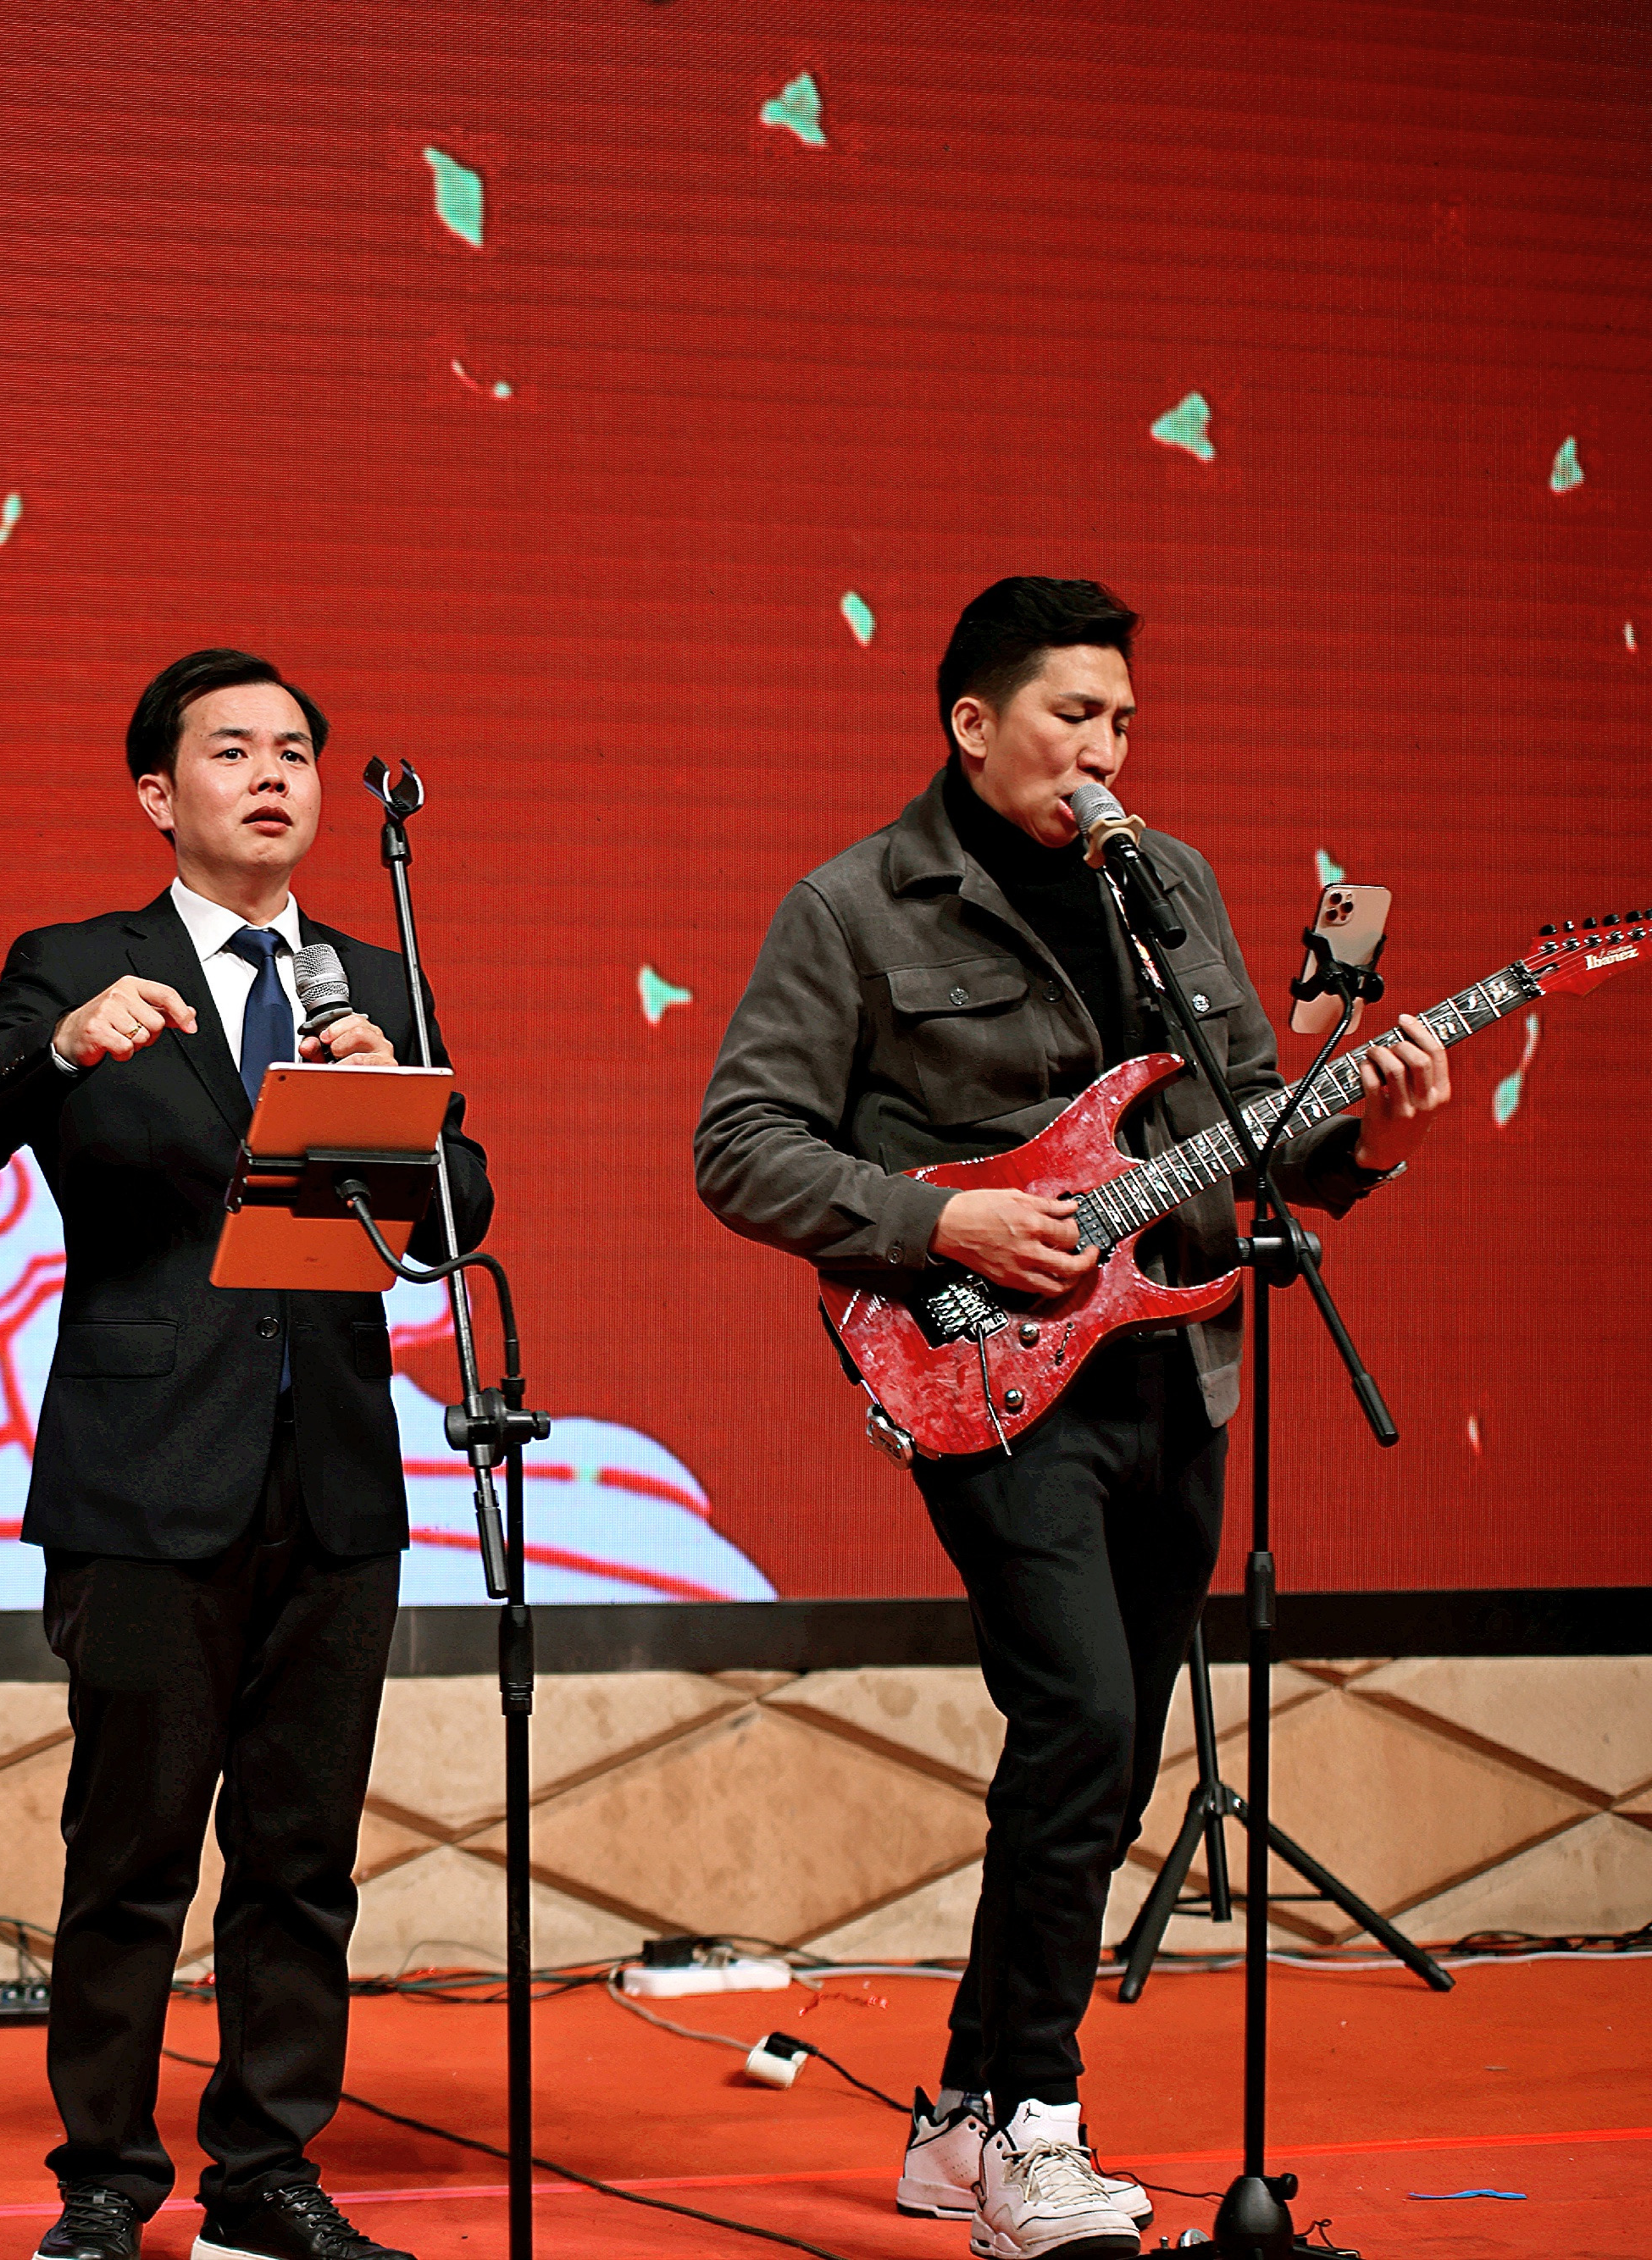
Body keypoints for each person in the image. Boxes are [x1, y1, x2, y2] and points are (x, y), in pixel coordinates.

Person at [694, 578, 1451, 2259]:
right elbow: (738, 1145)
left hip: (1178, 1363)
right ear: (972, 724)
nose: (1103, 750)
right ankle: (1037, 2130)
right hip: (988, 1374)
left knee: (1099, 1767)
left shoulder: (1166, 883)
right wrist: (940, 1220)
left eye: (1120, 720)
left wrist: (1375, 1137)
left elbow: (1245, 1125)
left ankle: (961, 2114)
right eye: (1070, 716)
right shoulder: (852, 905)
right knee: (1082, 1722)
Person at [0, 650, 491, 2260]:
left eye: (295, 749)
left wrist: (404, 1116)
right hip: (147, 1469)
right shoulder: (77, 964)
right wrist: (57, 1048)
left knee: (302, 1860)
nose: (273, 774)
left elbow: (458, 1219)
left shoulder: (375, 978)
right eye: (234, 750)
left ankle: (265, 2174)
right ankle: (104, 2179)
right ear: (160, 795)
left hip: (336, 1474)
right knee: (132, 1851)